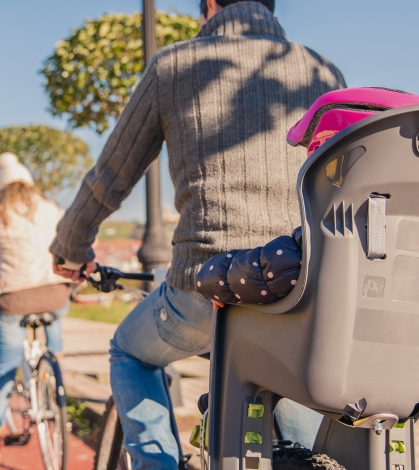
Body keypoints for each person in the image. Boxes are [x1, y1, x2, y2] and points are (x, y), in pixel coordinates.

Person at [50, 0, 346, 467]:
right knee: (294, 430)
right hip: (300, 289)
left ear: (209, 5)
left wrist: (70, 248)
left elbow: (110, 176)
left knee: (129, 352)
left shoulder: (175, 65)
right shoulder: (323, 72)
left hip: (205, 289)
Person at [0, 152, 72, 470]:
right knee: (56, 329)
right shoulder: (51, 207)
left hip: (12, 300)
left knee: (3, 370)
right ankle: (56, 377)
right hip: (54, 294)